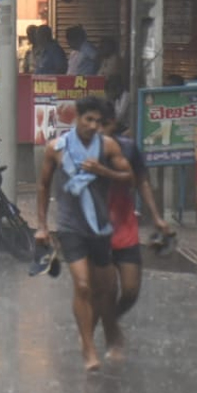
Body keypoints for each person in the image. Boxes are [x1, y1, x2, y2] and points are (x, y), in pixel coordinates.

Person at [36, 96, 135, 372]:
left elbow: (130, 177)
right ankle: (88, 348)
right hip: (70, 227)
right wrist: (42, 226)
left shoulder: (108, 146)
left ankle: (108, 331)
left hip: (100, 227)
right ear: (77, 118)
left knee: (106, 289)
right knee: (82, 285)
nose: (92, 126)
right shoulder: (56, 148)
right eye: (88, 119)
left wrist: (103, 171)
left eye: (98, 122)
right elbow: (43, 186)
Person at [101, 101, 174, 327]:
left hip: (125, 228)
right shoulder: (82, 151)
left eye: (102, 124)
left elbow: (142, 182)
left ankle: (109, 320)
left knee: (131, 291)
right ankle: (107, 329)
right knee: (109, 287)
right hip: (96, 231)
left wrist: (157, 217)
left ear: (112, 123)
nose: (97, 130)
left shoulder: (129, 148)